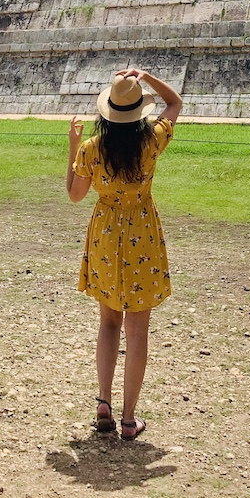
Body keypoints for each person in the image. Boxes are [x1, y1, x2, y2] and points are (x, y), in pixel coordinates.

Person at [66, 66, 183, 439]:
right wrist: (145, 78)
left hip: (105, 232)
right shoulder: (151, 140)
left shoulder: (92, 149)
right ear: (138, 112)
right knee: (137, 331)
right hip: (142, 232)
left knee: (108, 323)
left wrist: (73, 145)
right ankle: (129, 420)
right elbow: (175, 102)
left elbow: (75, 194)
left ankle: (104, 402)